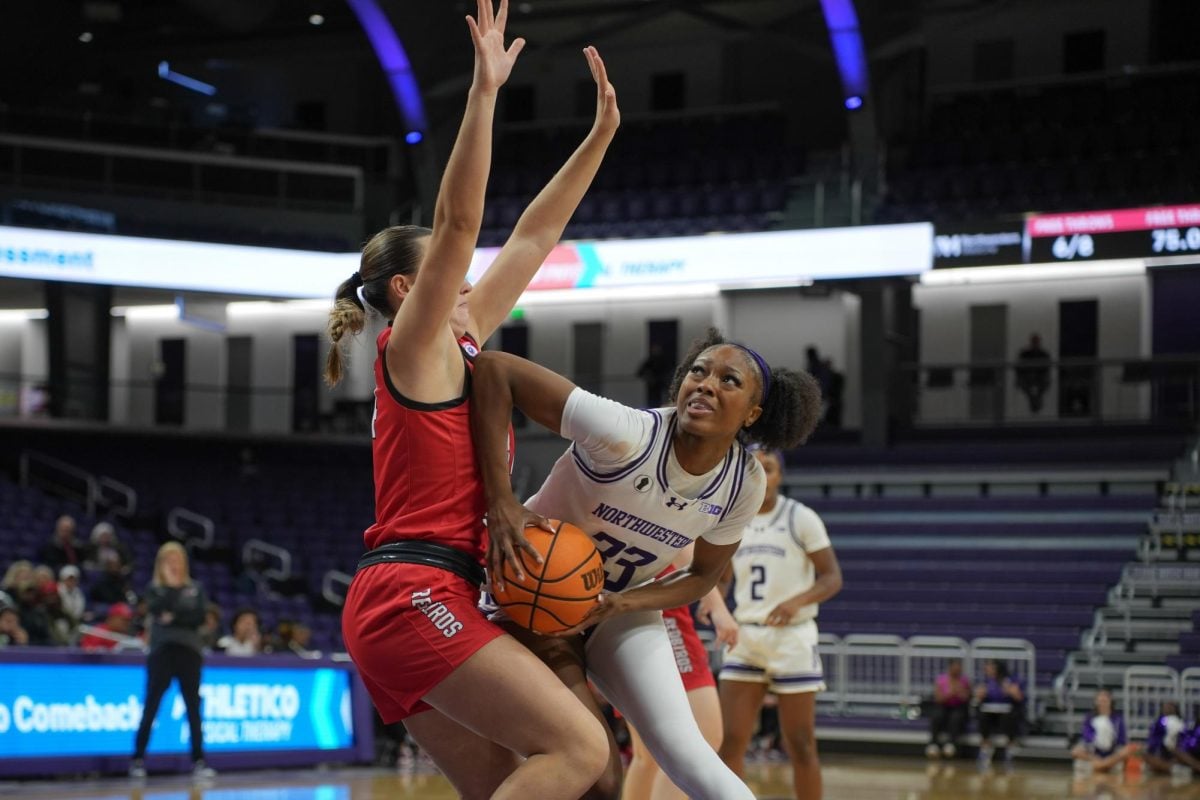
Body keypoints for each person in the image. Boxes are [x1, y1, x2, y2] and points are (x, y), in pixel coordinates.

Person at [328, 4, 622, 796]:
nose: (467, 280)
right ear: (407, 287)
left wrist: (597, 141)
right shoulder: (414, 343)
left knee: (508, 783)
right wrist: (484, 92)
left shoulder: (459, 342)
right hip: (413, 592)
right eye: (450, 273)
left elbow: (531, 240)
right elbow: (461, 220)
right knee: (580, 749)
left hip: (425, 595)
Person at [471, 327, 823, 800]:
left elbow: (702, 576)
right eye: (698, 371)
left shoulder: (745, 481)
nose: (706, 383)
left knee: (689, 754)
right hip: (529, 598)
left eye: (728, 380)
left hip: (615, 605)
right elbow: (497, 370)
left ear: (752, 414)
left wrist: (621, 603)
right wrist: (502, 501)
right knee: (599, 776)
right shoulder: (627, 434)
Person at [714, 447, 842, 800]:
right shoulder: (734, 519)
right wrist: (714, 604)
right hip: (746, 636)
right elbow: (724, 578)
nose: (762, 474)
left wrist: (795, 602)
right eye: (754, 468)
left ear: (780, 475)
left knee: (799, 743)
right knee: (731, 741)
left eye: (768, 468)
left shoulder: (800, 517)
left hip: (792, 638)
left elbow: (832, 578)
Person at [622, 546, 739, 800]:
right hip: (661, 621)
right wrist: (718, 607)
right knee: (701, 738)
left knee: (647, 756)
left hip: (632, 618)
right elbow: (684, 551)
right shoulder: (662, 509)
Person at [129, 542, 213, 780]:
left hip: (190, 652)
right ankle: (137, 758)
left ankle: (198, 760)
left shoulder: (196, 588)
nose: (174, 564)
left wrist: (174, 615)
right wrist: (172, 597)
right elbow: (157, 610)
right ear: (161, 564)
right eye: (169, 560)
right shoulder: (155, 589)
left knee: (193, 707)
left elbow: (197, 617)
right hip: (162, 652)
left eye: (177, 559)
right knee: (152, 704)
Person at [1070, 688, 1137, 774]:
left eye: (1105, 700)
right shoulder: (1090, 717)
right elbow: (1086, 736)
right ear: (1096, 702)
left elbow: (1122, 739)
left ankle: (1102, 765)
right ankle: (1104, 765)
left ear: (1110, 701)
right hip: (1094, 752)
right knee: (1075, 750)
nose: (1103, 703)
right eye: (1100, 700)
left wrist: (1113, 741)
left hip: (1112, 752)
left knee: (1128, 750)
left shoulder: (1118, 718)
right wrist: (1096, 740)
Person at [973, 659, 1025, 768]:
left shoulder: (1010, 680)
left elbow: (1019, 698)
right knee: (982, 716)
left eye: (990, 667)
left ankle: (1010, 748)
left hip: (1008, 711)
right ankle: (986, 747)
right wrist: (980, 695)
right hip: (991, 712)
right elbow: (977, 700)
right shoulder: (987, 682)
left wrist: (1010, 690)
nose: (987, 669)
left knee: (1009, 717)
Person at [926, 658, 971, 758]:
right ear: (950, 668)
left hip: (958, 707)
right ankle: (933, 744)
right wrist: (949, 694)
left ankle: (951, 744)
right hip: (944, 705)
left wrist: (959, 693)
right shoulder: (941, 679)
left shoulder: (964, 681)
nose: (957, 670)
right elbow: (938, 698)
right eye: (954, 668)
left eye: (958, 668)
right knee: (936, 716)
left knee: (956, 718)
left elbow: (966, 697)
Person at [1142, 700, 1185, 775]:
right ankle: (1168, 767)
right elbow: (1152, 739)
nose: (1166, 708)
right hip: (1159, 752)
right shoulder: (1159, 722)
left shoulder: (1179, 723)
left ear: (1175, 709)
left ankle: (1171, 768)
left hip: (1173, 753)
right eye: (1165, 707)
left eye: (1170, 707)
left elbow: (1173, 742)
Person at [1015, 333, 1051, 414]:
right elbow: (1019, 368)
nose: (1035, 343)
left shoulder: (1044, 354)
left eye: (1036, 341)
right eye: (1034, 341)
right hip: (1027, 379)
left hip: (1038, 379)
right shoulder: (1024, 354)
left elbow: (1047, 371)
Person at [636, 343, 673, 408]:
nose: (656, 351)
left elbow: (669, 371)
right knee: (652, 401)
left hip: (662, 385)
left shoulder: (663, 360)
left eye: (657, 349)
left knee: (662, 400)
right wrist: (648, 377)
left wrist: (663, 378)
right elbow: (639, 372)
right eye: (654, 349)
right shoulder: (650, 360)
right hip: (652, 386)